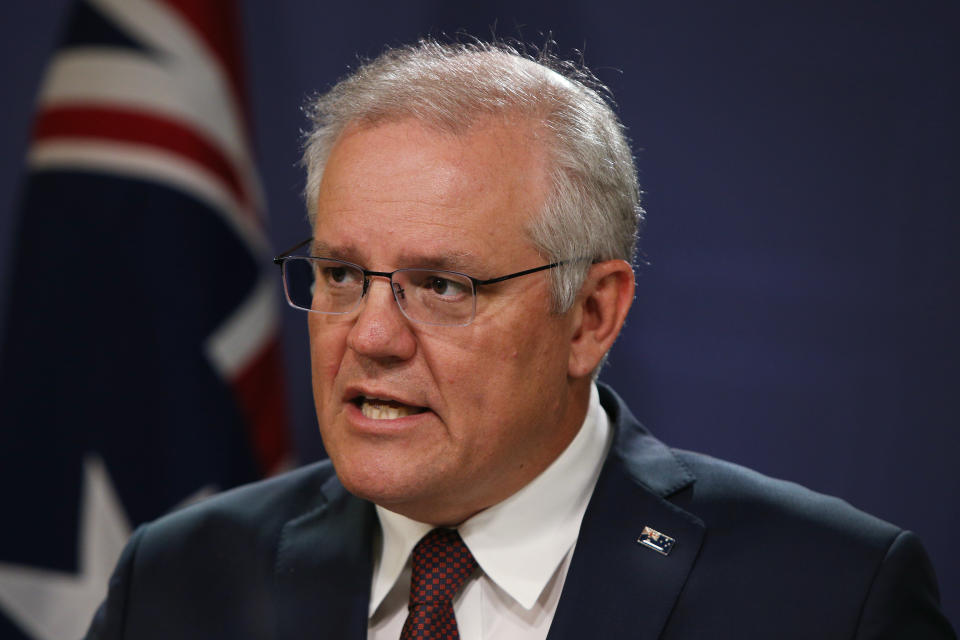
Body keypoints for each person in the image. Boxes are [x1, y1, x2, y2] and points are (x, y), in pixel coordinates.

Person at [85, 40, 955, 639]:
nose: (372, 335)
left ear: (591, 317)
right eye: (342, 274)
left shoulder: (829, 600)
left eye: (442, 286)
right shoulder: (177, 582)